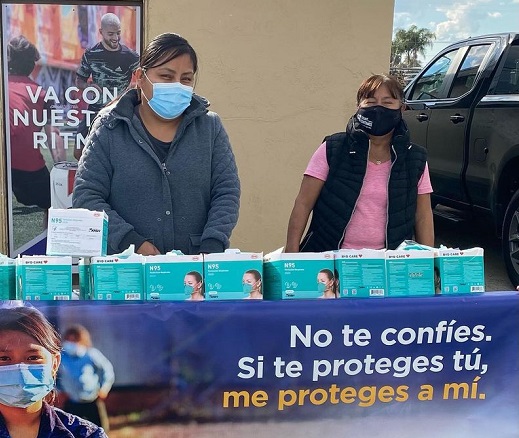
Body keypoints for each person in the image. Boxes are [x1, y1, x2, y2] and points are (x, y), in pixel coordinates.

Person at [73, 32, 240, 256]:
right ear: (141, 77)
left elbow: (226, 191)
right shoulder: (110, 127)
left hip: (196, 270)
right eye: (166, 76)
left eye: (186, 79)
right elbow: (87, 195)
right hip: (129, 270)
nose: (177, 86)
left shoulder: (209, 128)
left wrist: (212, 244)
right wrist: (130, 242)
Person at [285, 74, 434, 253]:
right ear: (358, 107)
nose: (378, 109)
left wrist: (428, 261)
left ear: (401, 108)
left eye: (388, 103)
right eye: (370, 102)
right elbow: (303, 203)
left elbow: (423, 216)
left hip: (388, 265)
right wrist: (291, 252)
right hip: (330, 260)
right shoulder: (333, 148)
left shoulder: (414, 158)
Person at [0, 304, 107, 437]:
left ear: (54, 364)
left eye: (33, 357)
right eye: (4, 358)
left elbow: (106, 372)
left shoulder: (86, 434)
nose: (20, 371)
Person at [7, 36, 65, 218]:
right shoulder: (41, 94)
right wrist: (61, 169)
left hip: (7, 163)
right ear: (32, 63)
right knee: (54, 204)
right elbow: (53, 135)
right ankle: (48, 244)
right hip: (28, 167)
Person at [74, 12, 140, 159]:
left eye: (118, 33)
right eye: (111, 34)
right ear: (101, 32)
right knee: (78, 151)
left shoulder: (131, 56)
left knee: (123, 154)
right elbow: (79, 81)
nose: (115, 38)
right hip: (96, 109)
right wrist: (87, 86)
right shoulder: (91, 54)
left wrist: (132, 91)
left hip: (121, 110)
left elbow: (144, 80)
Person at [58, 325, 115, 432]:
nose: (71, 343)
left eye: (74, 340)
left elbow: (107, 371)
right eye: (68, 340)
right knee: (69, 431)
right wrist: (60, 391)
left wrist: (104, 389)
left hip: (92, 399)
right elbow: (54, 376)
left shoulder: (91, 355)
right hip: (72, 400)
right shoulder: (61, 357)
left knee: (99, 430)